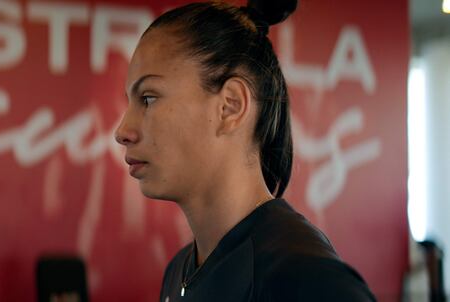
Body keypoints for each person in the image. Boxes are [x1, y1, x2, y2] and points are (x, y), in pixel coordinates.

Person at [113, 0, 376, 301]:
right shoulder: (178, 272)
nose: (123, 131)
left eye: (148, 98)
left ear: (230, 106)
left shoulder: (309, 280)